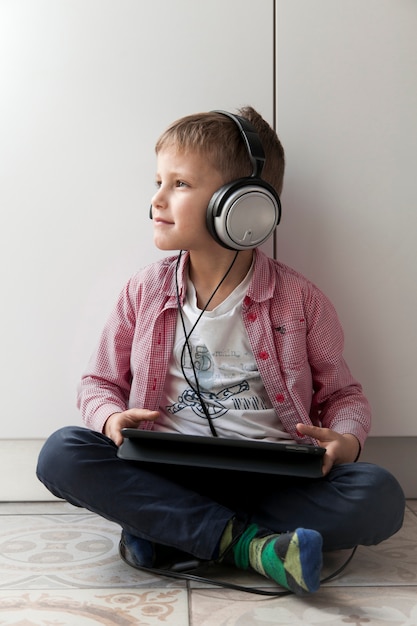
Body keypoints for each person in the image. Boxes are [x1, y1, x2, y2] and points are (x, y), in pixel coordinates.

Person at [36, 106, 405, 596]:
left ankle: (172, 529)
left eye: (180, 185)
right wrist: (109, 419)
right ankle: (253, 546)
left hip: (271, 477)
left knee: (380, 496)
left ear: (245, 205)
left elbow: (345, 395)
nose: (156, 200)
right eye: (158, 181)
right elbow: (98, 382)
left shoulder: (300, 300)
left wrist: (347, 441)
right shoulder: (144, 291)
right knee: (62, 453)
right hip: (167, 471)